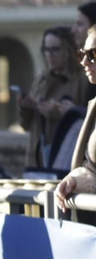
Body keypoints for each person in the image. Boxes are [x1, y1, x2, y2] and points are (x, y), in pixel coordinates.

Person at [20, 26, 86, 173]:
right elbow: (26, 125)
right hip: (37, 157)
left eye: (55, 49)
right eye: (46, 49)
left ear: (67, 50)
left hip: (66, 157)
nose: (50, 55)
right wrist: (25, 107)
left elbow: (85, 120)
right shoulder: (41, 80)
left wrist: (62, 112)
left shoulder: (81, 80)